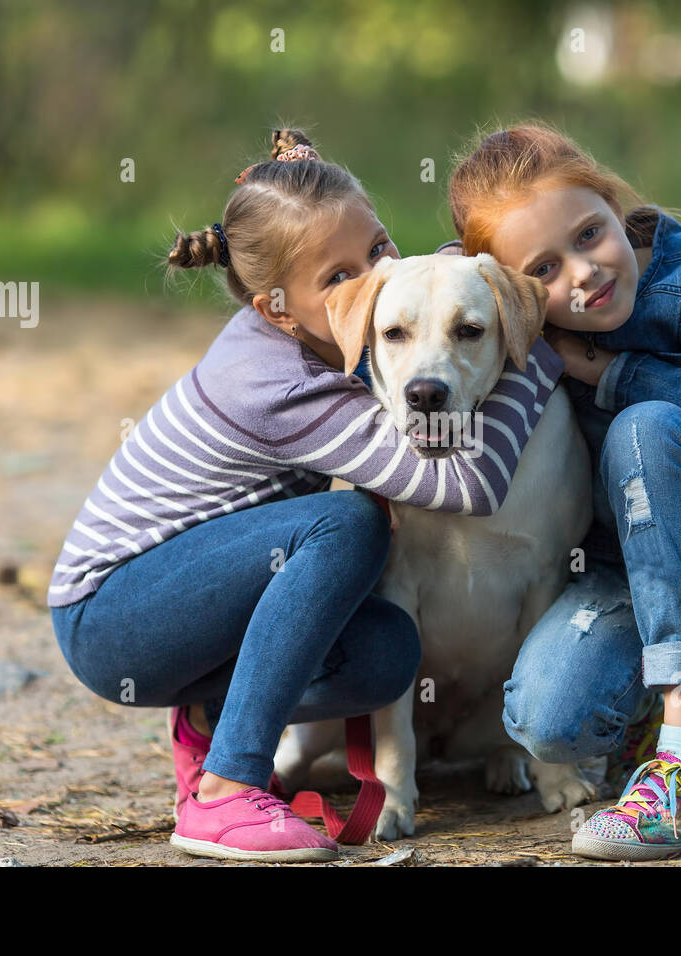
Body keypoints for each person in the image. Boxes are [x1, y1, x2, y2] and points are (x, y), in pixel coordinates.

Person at [46, 128, 565, 863]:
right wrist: (539, 348)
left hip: (191, 600)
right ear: (277, 310)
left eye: (379, 249)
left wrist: (474, 289)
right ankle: (226, 789)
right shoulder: (277, 383)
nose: (370, 279)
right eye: (336, 277)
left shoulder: (343, 333)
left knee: (386, 652)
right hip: (110, 612)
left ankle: (207, 713)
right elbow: (468, 483)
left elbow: (427, 299)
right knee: (350, 525)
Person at [441, 122, 681, 860]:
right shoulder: (520, 325)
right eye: (545, 270)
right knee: (546, 721)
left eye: (590, 233)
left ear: (613, 201)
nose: (582, 275)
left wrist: (614, 375)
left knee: (646, 426)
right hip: (630, 578)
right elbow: (434, 296)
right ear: (512, 289)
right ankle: (648, 727)